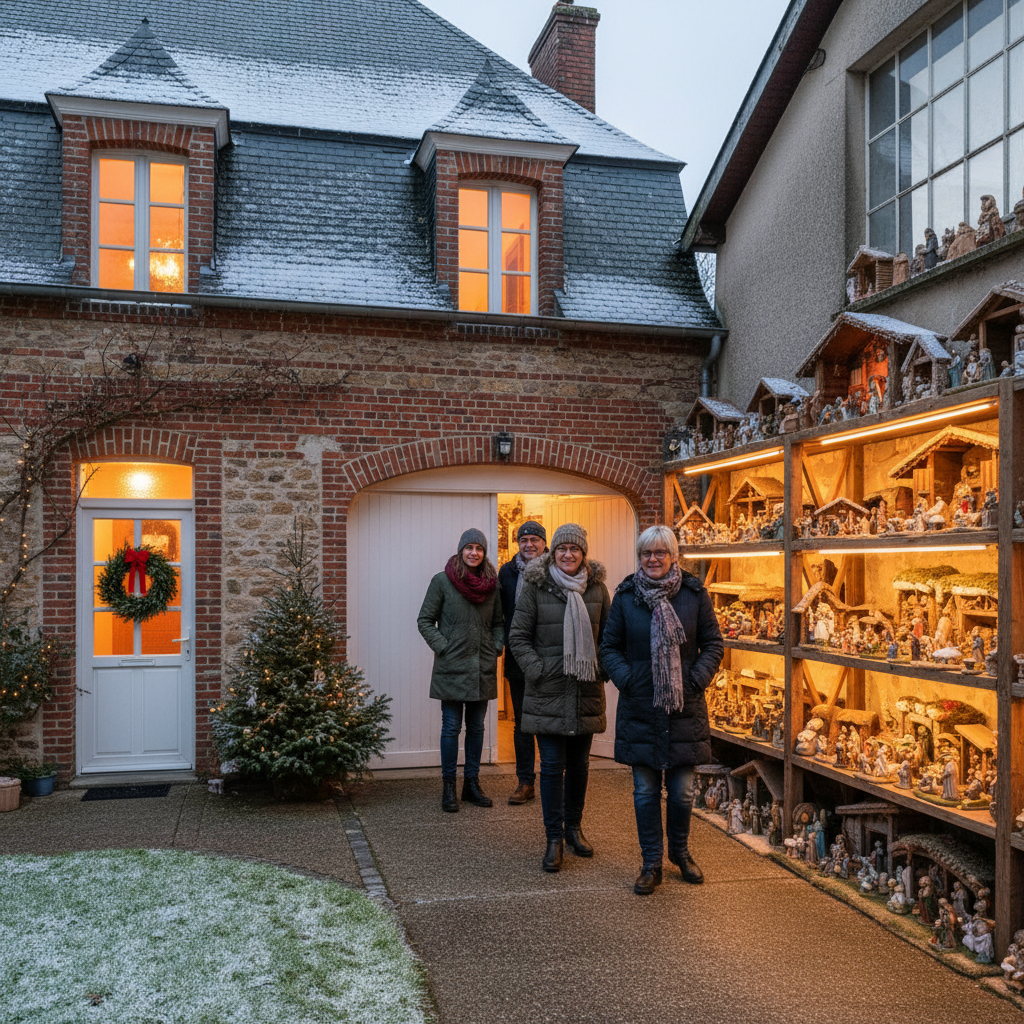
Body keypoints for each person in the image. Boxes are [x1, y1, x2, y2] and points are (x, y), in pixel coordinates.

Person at [599, 524, 724, 896]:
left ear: (673, 556)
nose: (652, 559)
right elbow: (609, 648)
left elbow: (713, 643)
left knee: (684, 792)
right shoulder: (625, 596)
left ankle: (680, 854)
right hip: (641, 706)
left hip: (685, 707)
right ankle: (651, 862)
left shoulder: (693, 593)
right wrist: (630, 678)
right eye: (646, 554)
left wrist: (694, 679)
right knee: (645, 791)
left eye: (660, 553)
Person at [508, 523, 610, 873]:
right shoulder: (536, 587)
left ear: (584, 553)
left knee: (580, 767)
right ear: (553, 552)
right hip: (547, 692)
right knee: (551, 767)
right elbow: (518, 637)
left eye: (575, 549)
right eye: (562, 549)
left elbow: (610, 637)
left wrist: (602, 669)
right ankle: (553, 838)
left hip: (585, 692)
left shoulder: (596, 589)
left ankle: (573, 830)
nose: (568, 554)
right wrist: (537, 670)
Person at [417, 528, 504, 813]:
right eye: (469, 547)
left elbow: (498, 623)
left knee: (477, 728)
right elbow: (425, 620)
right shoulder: (442, 581)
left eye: (479, 548)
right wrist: (444, 647)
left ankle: (472, 785)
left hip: (481, 667)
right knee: (451, 728)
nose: (474, 553)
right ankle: (448, 787)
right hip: (452, 667)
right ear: (461, 550)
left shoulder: (492, 584)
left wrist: (496, 647)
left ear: (484, 552)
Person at [497, 521, 547, 805]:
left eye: (534, 540)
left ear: (543, 542)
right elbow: (501, 611)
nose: (529, 545)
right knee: (523, 722)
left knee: (551, 722)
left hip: (549, 658)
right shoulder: (507, 572)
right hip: (518, 657)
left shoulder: (556, 568)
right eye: (523, 540)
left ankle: (553, 777)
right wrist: (506, 641)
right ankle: (525, 781)